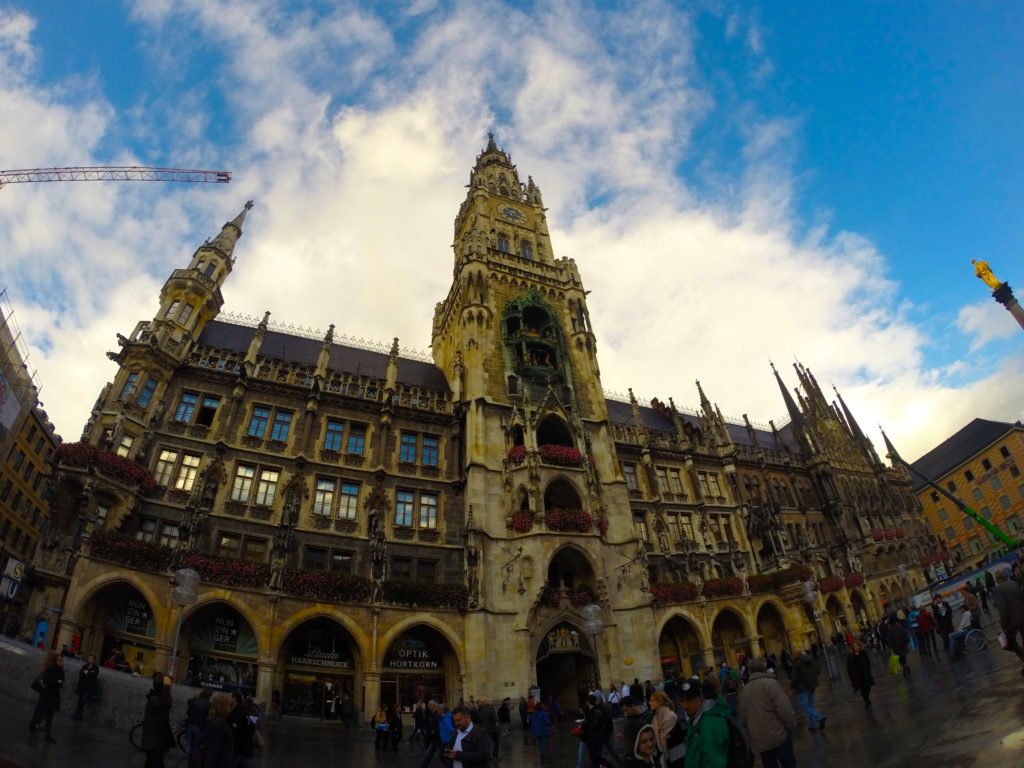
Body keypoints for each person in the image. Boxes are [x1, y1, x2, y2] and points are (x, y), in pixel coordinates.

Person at [738, 658, 797, 768]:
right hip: (779, 736)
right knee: (789, 763)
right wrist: (791, 725)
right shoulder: (771, 684)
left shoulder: (744, 691)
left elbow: (743, 718)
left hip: (761, 742)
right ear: (763, 669)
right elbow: (784, 709)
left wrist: (752, 735)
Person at [678, 677, 731, 767]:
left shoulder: (709, 723)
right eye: (682, 701)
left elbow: (715, 763)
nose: (685, 705)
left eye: (690, 699)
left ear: (701, 697)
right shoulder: (697, 720)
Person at [29, 650, 65, 742]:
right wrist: (57, 682)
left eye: (62, 660)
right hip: (47, 694)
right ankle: (34, 722)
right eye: (59, 660)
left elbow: (61, 683)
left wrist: (61, 684)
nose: (61, 662)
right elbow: (47, 680)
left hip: (54, 695)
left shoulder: (61, 671)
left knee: (50, 715)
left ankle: (48, 735)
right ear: (55, 661)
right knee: (45, 713)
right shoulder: (50, 669)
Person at [994, 568, 1024, 673]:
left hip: (1011, 621)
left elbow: (1003, 609)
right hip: (1022, 616)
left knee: (1011, 644)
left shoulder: (998, 589)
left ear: (998, 579)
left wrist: (1003, 625)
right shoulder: (1014, 583)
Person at [141, 673, 173, 768]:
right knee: (156, 763)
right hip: (154, 741)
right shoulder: (156, 700)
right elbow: (167, 702)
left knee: (150, 763)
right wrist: (167, 686)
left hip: (154, 741)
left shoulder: (155, 697)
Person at [790, 650, 827, 731]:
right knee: (810, 705)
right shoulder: (809, 659)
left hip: (802, 687)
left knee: (804, 705)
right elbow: (817, 669)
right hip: (811, 685)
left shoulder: (797, 663)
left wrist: (792, 687)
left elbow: (794, 677)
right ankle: (812, 725)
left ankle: (819, 718)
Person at [201, 693, 236, 768]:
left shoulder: (215, 720)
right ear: (223, 706)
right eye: (229, 705)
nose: (230, 707)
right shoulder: (220, 724)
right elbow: (214, 749)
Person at [648, 691, 678, 768]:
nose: (649, 703)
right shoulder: (655, 717)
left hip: (674, 755)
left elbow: (666, 738)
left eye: (652, 700)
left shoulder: (671, 716)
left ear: (660, 702)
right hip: (661, 754)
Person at [185, 687, 213, 768]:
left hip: (190, 726)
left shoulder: (195, 701)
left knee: (190, 749)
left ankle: (190, 765)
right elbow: (208, 718)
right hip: (200, 727)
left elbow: (188, 711)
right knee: (196, 750)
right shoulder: (208, 704)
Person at [228, 691, 256, 768]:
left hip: (239, 747)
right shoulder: (237, 710)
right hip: (242, 747)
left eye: (230, 697)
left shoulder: (240, 712)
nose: (228, 699)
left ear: (235, 699)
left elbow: (249, 728)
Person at [846, 642, 875, 709]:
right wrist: (851, 674)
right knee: (862, 689)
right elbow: (849, 666)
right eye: (854, 646)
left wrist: (868, 670)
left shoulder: (863, 653)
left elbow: (868, 662)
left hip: (865, 673)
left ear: (859, 646)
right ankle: (866, 701)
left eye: (857, 646)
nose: (856, 647)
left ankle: (867, 698)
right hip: (857, 675)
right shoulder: (851, 656)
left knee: (868, 687)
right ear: (852, 648)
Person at [72, 654, 100, 720]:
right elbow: (81, 673)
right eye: (89, 658)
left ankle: (77, 713)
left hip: (88, 687)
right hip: (82, 685)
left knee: (83, 701)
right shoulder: (84, 666)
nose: (90, 660)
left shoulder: (96, 668)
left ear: (94, 660)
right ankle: (79, 715)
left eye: (91, 658)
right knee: (79, 700)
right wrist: (89, 673)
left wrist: (87, 673)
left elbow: (94, 674)